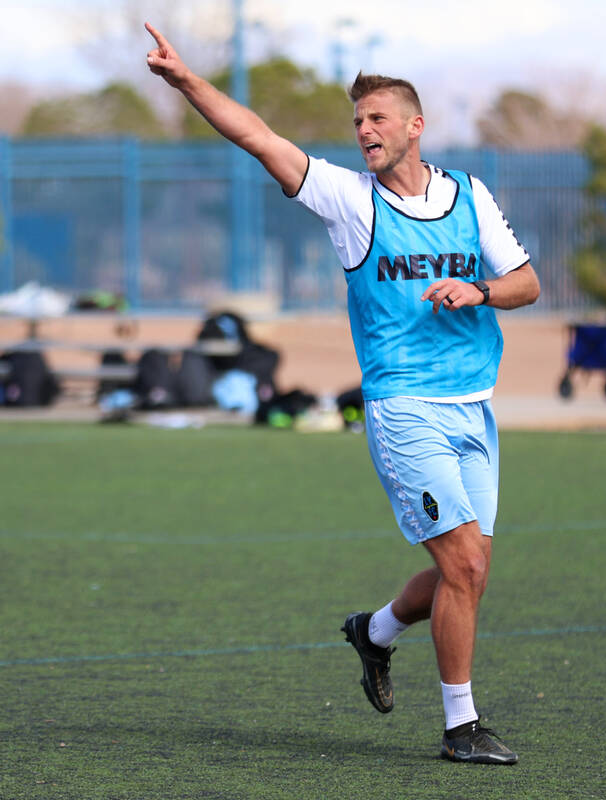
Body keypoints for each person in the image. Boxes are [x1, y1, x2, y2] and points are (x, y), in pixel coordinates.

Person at [146, 24, 539, 764]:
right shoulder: (349, 201)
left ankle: (376, 632)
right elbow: (260, 139)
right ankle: (461, 727)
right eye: (357, 121)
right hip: (402, 407)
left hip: (473, 408)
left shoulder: (471, 196)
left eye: (377, 118)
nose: (364, 130)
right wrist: (186, 82)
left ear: (415, 126)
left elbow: (527, 282)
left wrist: (479, 288)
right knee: (464, 566)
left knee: (469, 571)